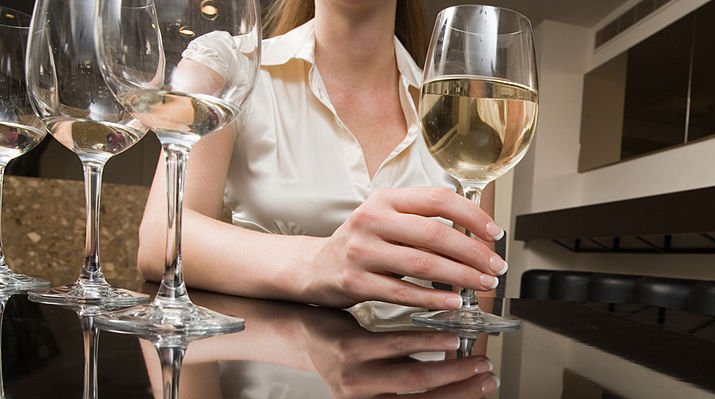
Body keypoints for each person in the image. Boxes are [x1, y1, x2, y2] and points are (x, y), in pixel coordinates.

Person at [137, 0, 508, 310]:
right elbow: (160, 238)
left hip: (416, 387)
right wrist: (317, 262)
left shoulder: (461, 116)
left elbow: (476, 294)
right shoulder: (233, 64)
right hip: (269, 385)